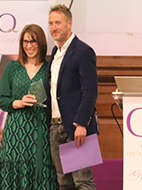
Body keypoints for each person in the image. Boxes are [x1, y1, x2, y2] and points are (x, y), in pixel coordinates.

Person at [0, 24, 59, 190]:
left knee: (42, 170)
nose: (29, 45)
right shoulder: (12, 67)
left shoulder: (50, 69)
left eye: (33, 41)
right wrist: (18, 102)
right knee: (14, 172)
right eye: (25, 41)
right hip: (16, 131)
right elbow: (1, 99)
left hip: (42, 129)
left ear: (41, 43)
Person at [46, 4, 99, 190]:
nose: (54, 27)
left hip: (76, 129)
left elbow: (90, 92)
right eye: (51, 23)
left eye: (58, 23)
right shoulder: (55, 52)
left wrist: (81, 123)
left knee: (82, 182)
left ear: (69, 24)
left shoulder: (84, 51)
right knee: (65, 184)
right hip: (55, 128)